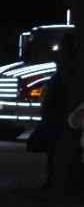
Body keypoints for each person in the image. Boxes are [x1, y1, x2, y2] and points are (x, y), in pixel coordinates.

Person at [37, 34, 74, 186]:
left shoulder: (56, 80)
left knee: (53, 150)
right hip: (57, 116)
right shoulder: (64, 76)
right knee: (56, 149)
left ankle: (53, 178)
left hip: (54, 116)